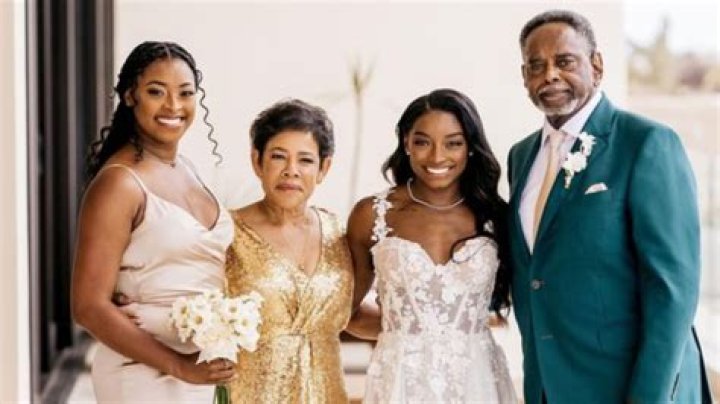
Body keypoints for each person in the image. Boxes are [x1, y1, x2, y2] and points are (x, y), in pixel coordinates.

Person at [507, 10, 713, 403]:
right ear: (524, 77)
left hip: (631, 386)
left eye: (564, 61)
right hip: (551, 386)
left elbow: (672, 290)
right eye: (536, 66)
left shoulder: (646, 143)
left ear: (596, 65)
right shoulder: (521, 156)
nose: (549, 75)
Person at [71, 41, 235, 403]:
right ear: (131, 96)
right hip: (142, 372)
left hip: (197, 370)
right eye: (156, 92)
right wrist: (179, 366)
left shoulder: (186, 168)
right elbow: (88, 306)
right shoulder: (120, 184)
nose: (174, 106)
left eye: (185, 93)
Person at [347, 88, 517, 403]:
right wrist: (404, 331)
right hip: (400, 382)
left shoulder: (497, 216)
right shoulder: (372, 214)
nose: (437, 157)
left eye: (453, 143)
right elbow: (347, 313)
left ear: (470, 147)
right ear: (406, 143)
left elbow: (524, 303)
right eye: (423, 142)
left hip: (476, 381)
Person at [224, 99, 354, 403]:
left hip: (328, 393)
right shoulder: (227, 232)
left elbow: (357, 310)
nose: (291, 171)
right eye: (279, 157)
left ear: (324, 168)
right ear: (257, 161)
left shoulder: (338, 233)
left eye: (305, 160)